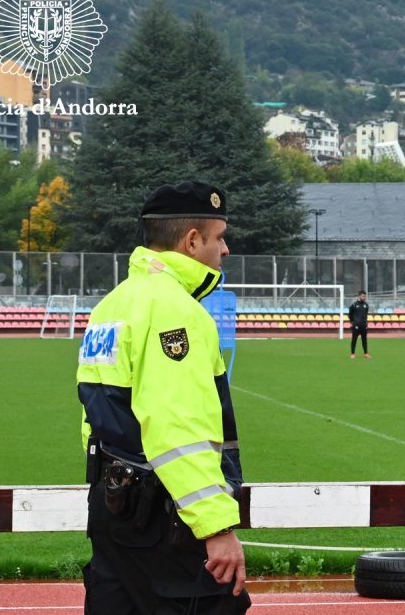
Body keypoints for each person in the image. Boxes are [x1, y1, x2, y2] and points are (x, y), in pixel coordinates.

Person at [76, 181, 249, 613]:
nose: (225, 249)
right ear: (192, 241)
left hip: (113, 506)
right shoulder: (175, 309)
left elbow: (94, 417)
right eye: (219, 237)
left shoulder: (112, 305)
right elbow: (178, 427)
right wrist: (216, 528)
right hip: (165, 518)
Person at [349, 290, 370, 359]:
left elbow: (365, 315)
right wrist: (353, 322)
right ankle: (352, 353)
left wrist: (366, 323)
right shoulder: (354, 305)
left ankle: (366, 353)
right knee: (354, 340)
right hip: (356, 326)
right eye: (363, 296)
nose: (364, 297)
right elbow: (350, 314)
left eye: (365, 296)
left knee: (364, 340)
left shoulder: (366, 305)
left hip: (364, 325)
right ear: (359, 296)